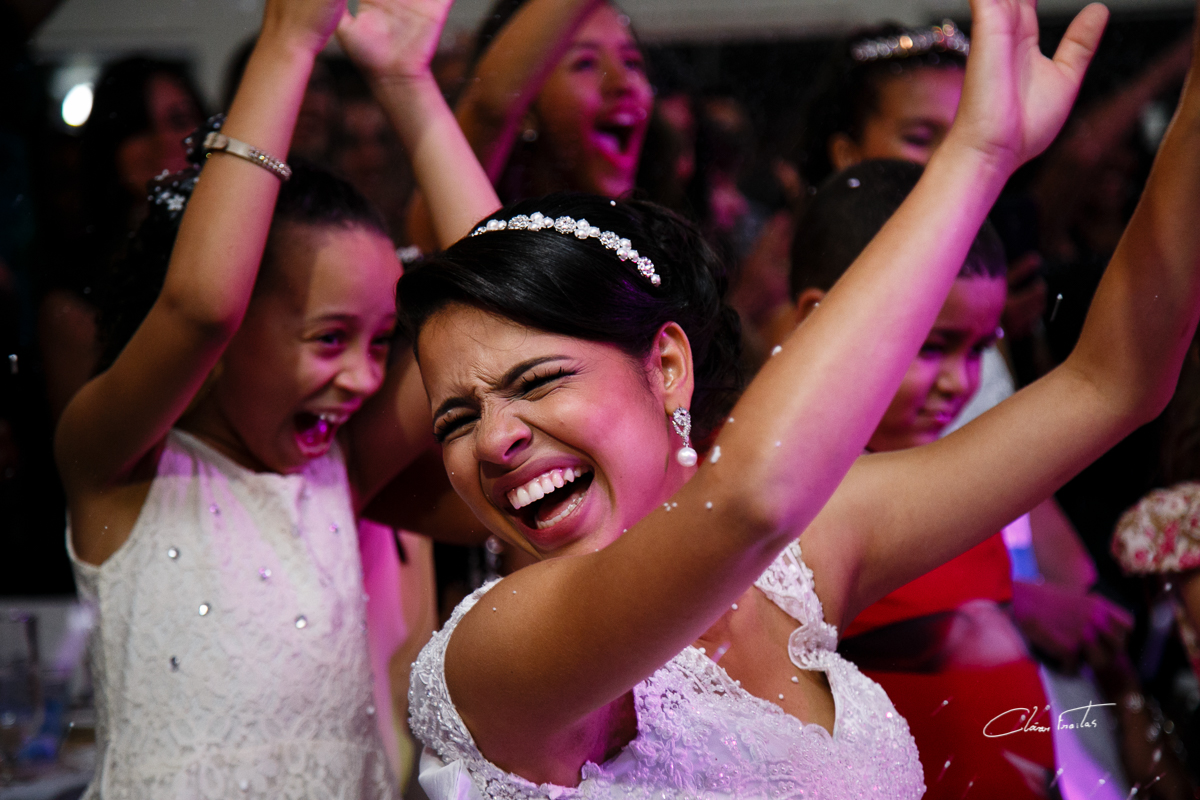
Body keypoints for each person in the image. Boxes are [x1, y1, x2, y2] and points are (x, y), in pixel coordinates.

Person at [345, 0, 1200, 794]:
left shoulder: (796, 568)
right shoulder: (496, 651)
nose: (495, 441)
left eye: (539, 383)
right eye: (455, 417)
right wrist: (974, 159)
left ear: (667, 367)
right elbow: (751, 497)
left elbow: (1110, 381)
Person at [55, 0, 496, 793]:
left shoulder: (338, 471)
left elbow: (496, 312)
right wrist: (289, 40)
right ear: (228, 345)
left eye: (379, 342)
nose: (364, 378)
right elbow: (201, 307)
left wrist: (407, 85)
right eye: (329, 339)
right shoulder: (115, 465)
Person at [786, 159, 1132, 798]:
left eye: (978, 349)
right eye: (931, 345)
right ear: (818, 316)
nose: (959, 382)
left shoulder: (948, 470)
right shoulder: (780, 504)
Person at [405, 0, 653, 251]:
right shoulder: (469, 229)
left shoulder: (670, 241)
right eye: (585, 63)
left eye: (631, 61)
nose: (623, 83)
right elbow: (489, 108)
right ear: (523, 105)